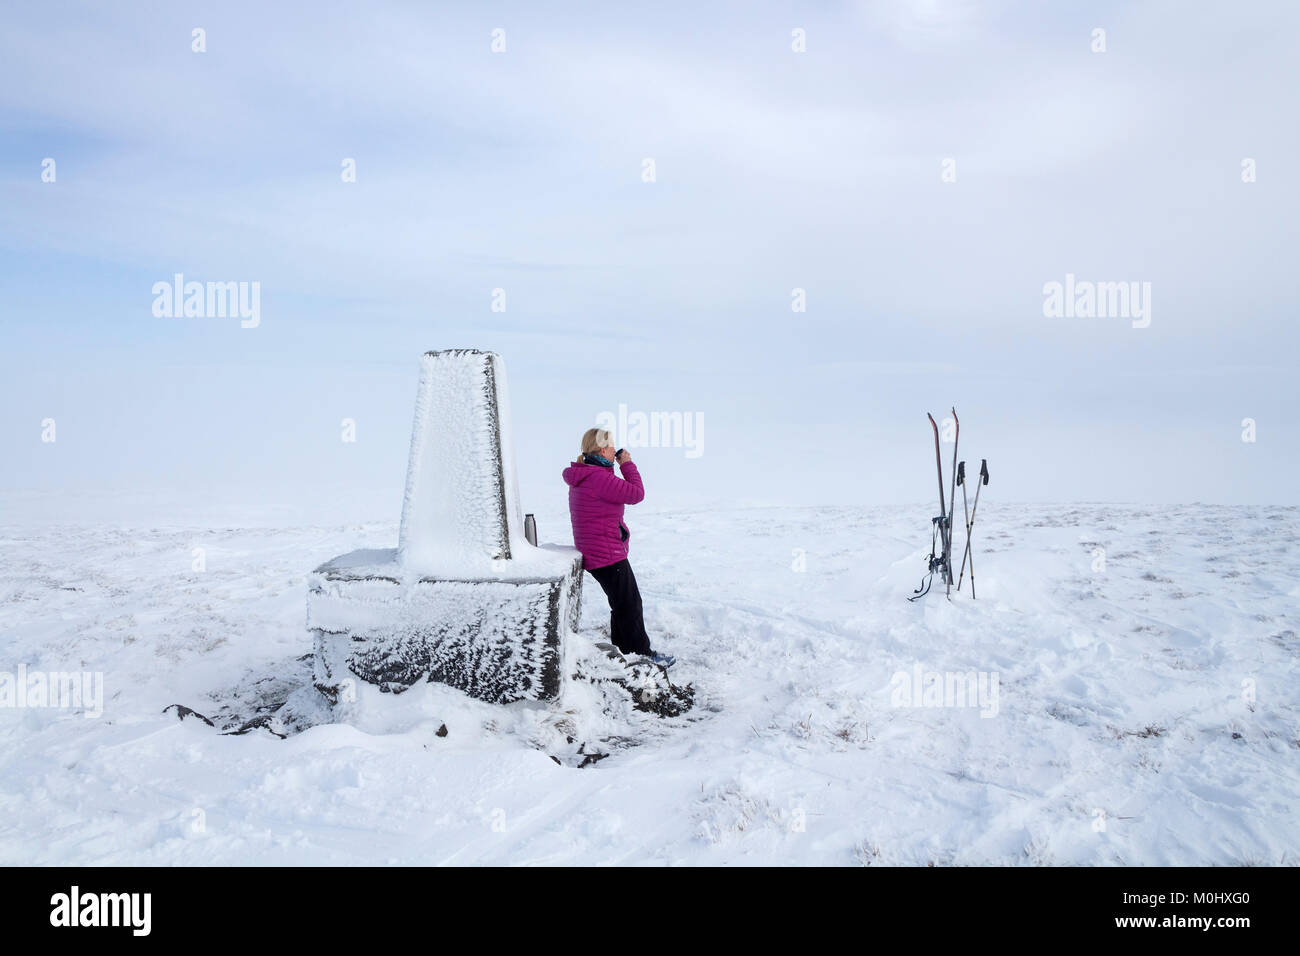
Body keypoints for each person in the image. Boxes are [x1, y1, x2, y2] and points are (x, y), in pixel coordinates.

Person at [562, 428, 674, 667]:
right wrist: (627, 464)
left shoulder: (587, 475)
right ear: (603, 450)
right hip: (605, 552)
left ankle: (624, 652)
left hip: (597, 549)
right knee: (631, 605)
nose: (615, 451)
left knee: (622, 604)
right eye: (612, 447)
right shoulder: (599, 478)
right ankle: (641, 656)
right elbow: (636, 494)